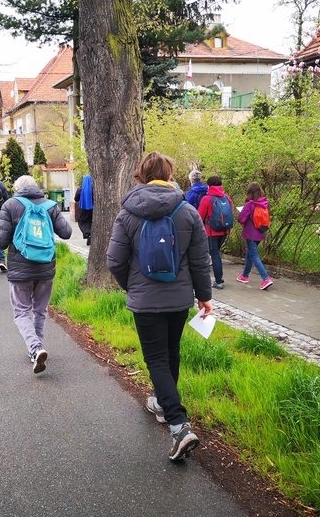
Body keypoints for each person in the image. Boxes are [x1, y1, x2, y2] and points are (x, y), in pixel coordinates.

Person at [106, 151, 213, 462]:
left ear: (141, 175)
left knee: (156, 359)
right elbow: (199, 260)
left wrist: (133, 286)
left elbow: (114, 261)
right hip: (178, 299)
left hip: (146, 300)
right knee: (171, 353)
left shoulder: (127, 213)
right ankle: (163, 405)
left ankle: (179, 425)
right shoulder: (187, 211)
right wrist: (204, 296)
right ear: (169, 175)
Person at [0, 175, 72, 373]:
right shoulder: (50, 205)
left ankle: (35, 348)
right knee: (40, 310)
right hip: (46, 267)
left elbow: (1, 242)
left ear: (17, 188)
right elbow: (67, 233)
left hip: (20, 269)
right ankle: (38, 347)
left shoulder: (10, 205)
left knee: (21, 311)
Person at [197, 175, 233, 289]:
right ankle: (217, 278)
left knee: (215, 254)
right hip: (225, 231)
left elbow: (199, 216)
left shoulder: (206, 199)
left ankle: (218, 281)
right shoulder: (227, 198)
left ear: (209, 186)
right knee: (216, 253)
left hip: (211, 232)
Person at [237, 182, 273, 290]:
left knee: (254, 255)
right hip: (261, 232)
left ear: (249, 193)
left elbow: (241, 218)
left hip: (251, 234)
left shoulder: (249, 204)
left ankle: (266, 278)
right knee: (250, 253)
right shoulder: (265, 203)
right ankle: (244, 275)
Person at [73, 174, 93, 245]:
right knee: (90, 221)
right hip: (92, 209)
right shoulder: (94, 188)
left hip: (83, 208)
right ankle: (91, 234)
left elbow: (76, 199)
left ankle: (88, 234)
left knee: (82, 221)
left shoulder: (80, 189)